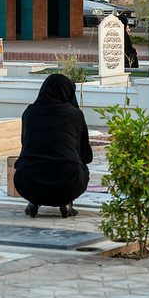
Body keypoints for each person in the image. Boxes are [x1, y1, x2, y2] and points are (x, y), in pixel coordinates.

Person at [13, 74, 93, 218]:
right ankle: (66, 202)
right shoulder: (74, 115)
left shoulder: (30, 113)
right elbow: (85, 155)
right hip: (68, 183)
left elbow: (26, 147)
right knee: (80, 168)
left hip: (27, 182)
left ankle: (34, 201)